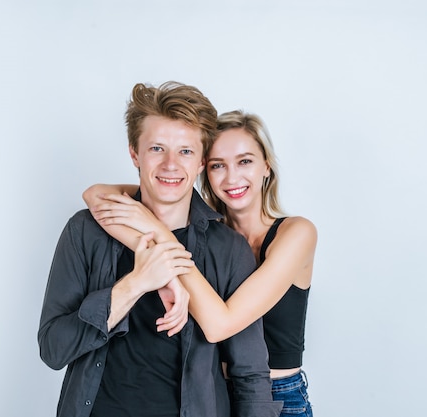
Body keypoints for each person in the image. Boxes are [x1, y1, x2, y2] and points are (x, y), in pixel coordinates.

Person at [38, 82, 282, 417]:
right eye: (156, 148)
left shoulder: (229, 250)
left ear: (201, 162)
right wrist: (136, 283)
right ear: (134, 153)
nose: (170, 165)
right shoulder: (85, 231)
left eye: (185, 151)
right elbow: (53, 349)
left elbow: (249, 375)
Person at [84, 110, 317, 417]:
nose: (232, 177)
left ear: (266, 166)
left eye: (245, 161)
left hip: (276, 398)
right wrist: (157, 256)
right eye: (219, 165)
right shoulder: (213, 238)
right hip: (211, 393)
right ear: (203, 169)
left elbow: (219, 324)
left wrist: (158, 237)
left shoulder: (297, 233)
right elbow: (96, 195)